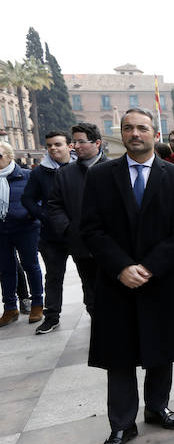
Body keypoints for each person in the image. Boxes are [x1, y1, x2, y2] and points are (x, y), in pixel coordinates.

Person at [81, 108, 174, 444]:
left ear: (156, 133)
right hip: (116, 281)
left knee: (160, 349)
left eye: (143, 128)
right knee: (119, 356)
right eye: (129, 128)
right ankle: (121, 425)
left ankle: (157, 408)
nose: (136, 133)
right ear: (121, 133)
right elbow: (90, 228)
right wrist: (121, 267)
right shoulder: (101, 176)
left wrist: (149, 267)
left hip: (161, 279)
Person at [46, 122, 108, 320]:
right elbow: (54, 206)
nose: (76, 146)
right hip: (81, 245)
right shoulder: (64, 173)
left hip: (111, 244)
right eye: (74, 142)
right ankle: (98, 325)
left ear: (97, 143)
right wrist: (68, 230)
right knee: (90, 289)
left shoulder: (114, 169)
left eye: (82, 141)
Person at [22, 131, 76, 334]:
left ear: (69, 146)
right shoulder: (40, 172)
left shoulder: (81, 168)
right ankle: (51, 317)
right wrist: (43, 215)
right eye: (49, 145)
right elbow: (27, 199)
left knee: (90, 277)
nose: (53, 148)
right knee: (53, 277)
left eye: (57, 144)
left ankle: (97, 314)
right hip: (51, 236)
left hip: (78, 232)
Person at [0, 142, 44, 327]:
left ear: (9, 156)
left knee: (30, 265)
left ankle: (37, 304)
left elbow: (41, 200)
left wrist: (32, 214)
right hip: (1, 231)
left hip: (26, 228)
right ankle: (10, 307)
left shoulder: (27, 175)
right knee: (5, 270)